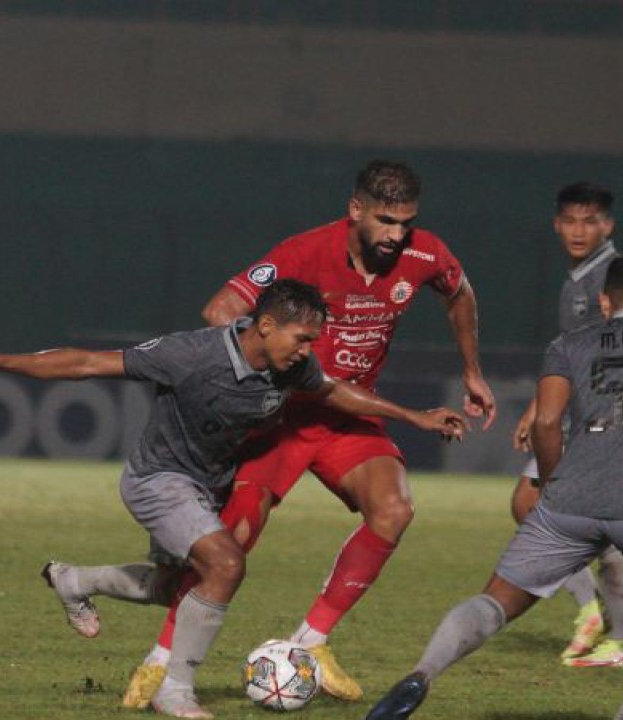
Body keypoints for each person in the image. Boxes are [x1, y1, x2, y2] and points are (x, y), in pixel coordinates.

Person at [0, 279, 469, 720]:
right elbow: (88, 363)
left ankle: (74, 580)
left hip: (208, 483)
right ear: (265, 326)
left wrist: (412, 416)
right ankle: (176, 691)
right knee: (226, 563)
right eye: (302, 339)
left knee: (177, 589)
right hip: (159, 479)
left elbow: (330, 389)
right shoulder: (190, 354)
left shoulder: (293, 366)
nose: (308, 351)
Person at [122, 159, 498, 707]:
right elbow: (221, 309)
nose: (396, 235)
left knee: (393, 509)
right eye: (386, 221)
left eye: (406, 223)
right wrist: (254, 375)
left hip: (350, 416)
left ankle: (311, 642)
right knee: (229, 545)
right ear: (355, 210)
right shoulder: (302, 254)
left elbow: (460, 292)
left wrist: (471, 370)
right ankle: (162, 662)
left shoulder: (424, 254)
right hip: (282, 420)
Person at [365, 253, 623, 720]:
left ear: (606, 302)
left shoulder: (570, 345)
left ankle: (421, 674)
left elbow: (546, 421)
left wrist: (554, 484)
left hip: (570, 500)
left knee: (495, 601)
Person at [509, 181, 623, 668]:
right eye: (570, 220)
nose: (578, 230)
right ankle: (593, 611)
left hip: (601, 416)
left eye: (590, 221)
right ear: (556, 223)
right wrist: (539, 406)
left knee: (592, 523)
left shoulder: (612, 275)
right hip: (577, 412)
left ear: (607, 225)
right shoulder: (581, 276)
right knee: (530, 504)